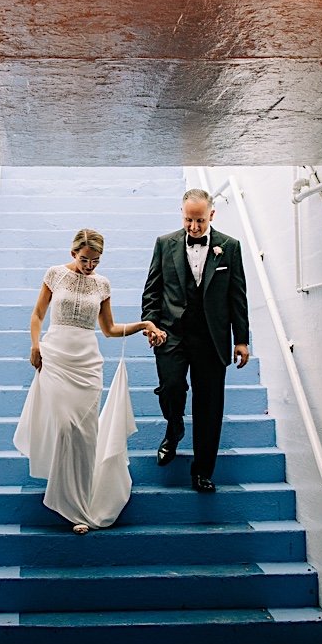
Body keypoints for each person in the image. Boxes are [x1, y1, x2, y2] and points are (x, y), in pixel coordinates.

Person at [15, 229, 167, 532]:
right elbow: (37, 315)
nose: (90, 266)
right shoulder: (55, 275)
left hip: (87, 365)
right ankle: (66, 500)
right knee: (65, 427)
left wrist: (144, 324)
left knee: (84, 436)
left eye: (95, 261)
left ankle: (81, 508)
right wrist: (35, 344)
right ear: (73, 254)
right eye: (85, 260)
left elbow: (109, 329)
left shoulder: (103, 284)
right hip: (56, 357)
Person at [141, 189, 250, 493]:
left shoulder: (229, 246)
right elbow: (152, 290)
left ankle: (202, 471)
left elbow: (237, 295)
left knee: (209, 405)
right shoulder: (165, 244)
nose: (194, 227)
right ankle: (174, 428)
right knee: (172, 387)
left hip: (212, 337)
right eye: (189, 219)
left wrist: (241, 339)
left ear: (211, 215)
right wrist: (151, 325)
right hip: (171, 332)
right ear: (182, 214)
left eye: (200, 220)